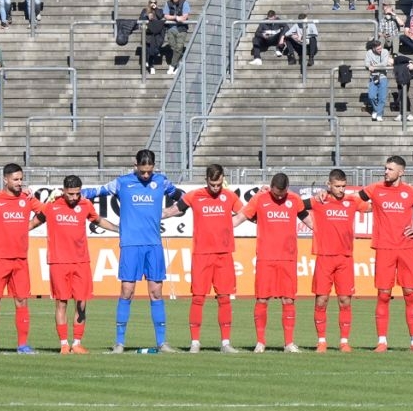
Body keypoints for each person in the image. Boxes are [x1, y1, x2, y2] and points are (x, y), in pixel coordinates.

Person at [84, 150, 184, 353]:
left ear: (154, 166)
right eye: (143, 171)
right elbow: (95, 192)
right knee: (127, 291)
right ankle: (119, 343)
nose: (146, 175)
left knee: (156, 292)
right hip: (130, 244)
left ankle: (162, 342)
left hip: (153, 245)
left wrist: (169, 212)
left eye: (149, 171)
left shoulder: (162, 182)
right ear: (135, 165)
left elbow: (184, 200)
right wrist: (74, 192)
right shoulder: (122, 183)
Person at [356, 157, 413, 353]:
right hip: (384, 249)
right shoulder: (375, 189)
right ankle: (382, 341)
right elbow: (353, 200)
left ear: (401, 172)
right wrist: (368, 207)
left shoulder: (412, 192)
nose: (386, 172)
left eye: (390, 169)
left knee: (410, 294)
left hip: (407, 249)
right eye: (385, 168)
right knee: (383, 294)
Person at [300, 170, 369, 351]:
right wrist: (311, 224)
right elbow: (297, 206)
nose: (341, 190)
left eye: (343, 186)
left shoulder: (352, 201)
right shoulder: (319, 200)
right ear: (328, 185)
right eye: (337, 186)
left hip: (345, 258)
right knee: (321, 300)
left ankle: (344, 342)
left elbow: (372, 207)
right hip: (324, 257)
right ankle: (321, 341)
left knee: (345, 300)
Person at [177, 164, 242, 354]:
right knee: (198, 298)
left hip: (224, 254)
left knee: (224, 298)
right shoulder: (194, 195)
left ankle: (225, 343)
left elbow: (245, 213)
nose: (216, 188)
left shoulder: (229, 196)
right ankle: (195, 342)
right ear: (206, 180)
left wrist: (229, 226)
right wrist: (155, 215)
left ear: (223, 180)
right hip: (202, 255)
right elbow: (175, 209)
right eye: (213, 184)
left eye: (219, 184)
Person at [0, 164, 43, 354]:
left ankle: (22, 345)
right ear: (6, 179)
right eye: (15, 179)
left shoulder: (27, 198)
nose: (19, 183)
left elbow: (46, 212)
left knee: (22, 301)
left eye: (21, 179)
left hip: (20, 259)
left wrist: (30, 225)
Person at [42, 175, 106, 353]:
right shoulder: (52, 205)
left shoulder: (85, 205)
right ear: (63, 191)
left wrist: (120, 229)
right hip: (58, 262)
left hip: (81, 261)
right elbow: (35, 220)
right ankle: (64, 343)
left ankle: (77, 343)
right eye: (70, 194)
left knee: (81, 303)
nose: (74, 198)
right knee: (61, 303)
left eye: (77, 194)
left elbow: (98, 220)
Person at [243, 174, 304, 351]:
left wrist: (325, 230)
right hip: (265, 257)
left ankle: (289, 343)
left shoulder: (294, 200)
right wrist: (224, 227)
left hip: (288, 258)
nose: (279, 197)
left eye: (282, 194)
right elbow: (242, 216)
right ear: (271, 187)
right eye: (276, 194)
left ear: (287, 188)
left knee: (288, 300)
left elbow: (308, 219)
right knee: (262, 299)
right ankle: (260, 342)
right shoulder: (260, 199)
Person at [364, 37, 392, 122]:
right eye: (378, 49)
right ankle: (376, 110)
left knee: (382, 98)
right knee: (371, 96)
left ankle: (379, 114)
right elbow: (366, 63)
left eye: (381, 48)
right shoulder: (369, 53)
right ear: (373, 48)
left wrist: (373, 66)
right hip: (373, 77)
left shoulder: (385, 52)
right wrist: (369, 66)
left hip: (383, 77)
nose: (380, 50)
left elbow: (384, 64)